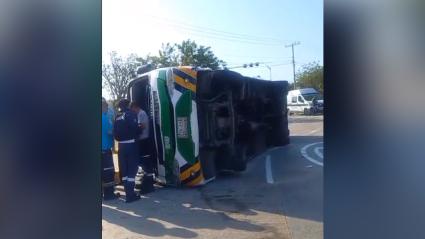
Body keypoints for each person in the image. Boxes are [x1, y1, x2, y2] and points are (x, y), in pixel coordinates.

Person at [113, 99, 142, 203]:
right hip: (131, 145)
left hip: (121, 147)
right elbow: (135, 129)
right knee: (132, 170)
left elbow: (115, 135)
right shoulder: (131, 114)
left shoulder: (117, 117)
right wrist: (140, 128)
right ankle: (131, 195)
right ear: (128, 105)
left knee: (124, 171)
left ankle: (127, 193)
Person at [130, 102, 155, 194]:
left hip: (144, 140)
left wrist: (133, 128)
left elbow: (142, 126)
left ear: (135, 107)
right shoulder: (140, 113)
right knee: (143, 163)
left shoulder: (141, 114)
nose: (132, 111)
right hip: (142, 140)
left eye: (132, 109)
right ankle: (147, 183)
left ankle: (148, 185)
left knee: (145, 162)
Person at [102, 99, 117, 200]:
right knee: (108, 172)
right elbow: (110, 132)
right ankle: (109, 194)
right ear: (103, 107)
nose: (107, 109)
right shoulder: (104, 118)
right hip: (105, 149)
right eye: (106, 107)